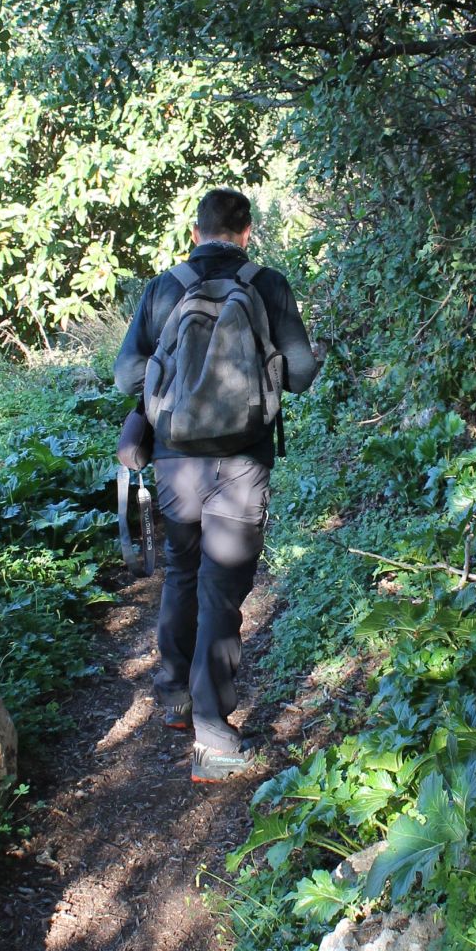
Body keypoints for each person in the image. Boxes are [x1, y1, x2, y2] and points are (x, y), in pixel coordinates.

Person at [114, 188, 320, 782]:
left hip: (176, 460)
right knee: (221, 591)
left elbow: (129, 374)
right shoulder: (267, 284)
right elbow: (301, 375)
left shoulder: (164, 286)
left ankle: (176, 695)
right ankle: (212, 733)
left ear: (196, 231)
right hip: (242, 462)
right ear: (246, 232)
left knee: (182, 572)